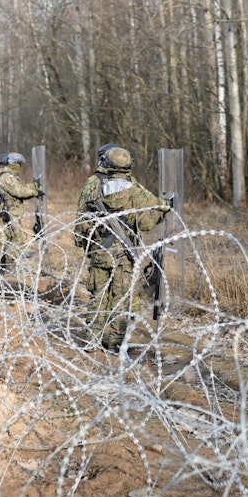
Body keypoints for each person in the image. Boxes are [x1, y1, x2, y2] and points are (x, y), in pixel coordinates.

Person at [74, 146, 170, 352]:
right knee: (122, 300)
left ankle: (91, 340)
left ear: (107, 164)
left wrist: (86, 243)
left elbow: (83, 221)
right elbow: (146, 223)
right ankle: (116, 343)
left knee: (98, 297)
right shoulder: (134, 191)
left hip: (101, 251)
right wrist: (163, 209)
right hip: (124, 255)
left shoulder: (96, 188)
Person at [0, 151, 43, 272]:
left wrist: (33, 186)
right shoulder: (7, 177)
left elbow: (18, 188)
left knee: (8, 239)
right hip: (11, 212)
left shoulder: (5, 175)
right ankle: (10, 268)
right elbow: (19, 192)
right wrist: (35, 192)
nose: (20, 167)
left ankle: (4, 268)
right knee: (15, 240)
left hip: (9, 211)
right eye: (19, 164)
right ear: (14, 164)